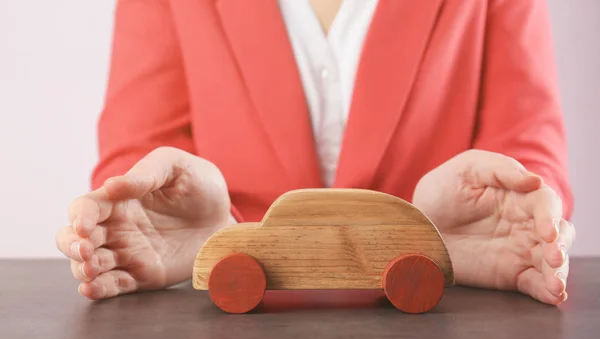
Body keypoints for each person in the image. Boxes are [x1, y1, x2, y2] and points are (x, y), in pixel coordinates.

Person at [55, 0, 575, 305]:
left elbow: (527, 150)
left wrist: (513, 212)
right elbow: (140, 160)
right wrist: (200, 231)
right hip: (234, 317)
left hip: (439, 290)